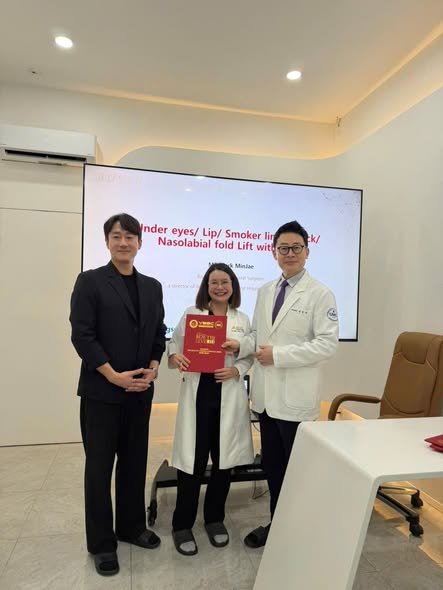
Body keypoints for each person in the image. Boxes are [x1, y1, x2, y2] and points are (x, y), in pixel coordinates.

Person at [223, 220, 339, 548]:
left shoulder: (320, 293)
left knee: (297, 470)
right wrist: (241, 345)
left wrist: (279, 355)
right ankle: (278, 525)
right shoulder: (265, 291)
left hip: (295, 400)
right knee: (273, 467)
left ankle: (299, 532)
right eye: (283, 248)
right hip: (265, 398)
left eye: (296, 248)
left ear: (307, 252)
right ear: (274, 253)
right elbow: (258, 335)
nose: (290, 253)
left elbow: (327, 345)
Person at [69, 213, 166, 576]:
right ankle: (101, 544)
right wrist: (113, 376)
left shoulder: (152, 286)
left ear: (140, 242)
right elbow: (82, 335)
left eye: (130, 236)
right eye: (116, 236)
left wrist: (153, 366)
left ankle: (131, 527)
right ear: (107, 242)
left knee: (134, 462)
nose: (123, 242)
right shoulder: (91, 281)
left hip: (139, 392)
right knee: (99, 468)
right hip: (102, 392)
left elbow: (158, 332)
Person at [168, 263, 254, 556]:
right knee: (191, 463)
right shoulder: (192, 315)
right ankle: (182, 524)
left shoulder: (242, 319)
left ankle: (215, 519)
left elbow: (249, 355)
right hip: (198, 397)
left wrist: (237, 370)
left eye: (224, 282)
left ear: (233, 286)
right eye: (214, 282)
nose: (219, 287)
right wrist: (175, 357)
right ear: (206, 286)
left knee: (223, 463)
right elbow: (173, 348)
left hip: (227, 398)